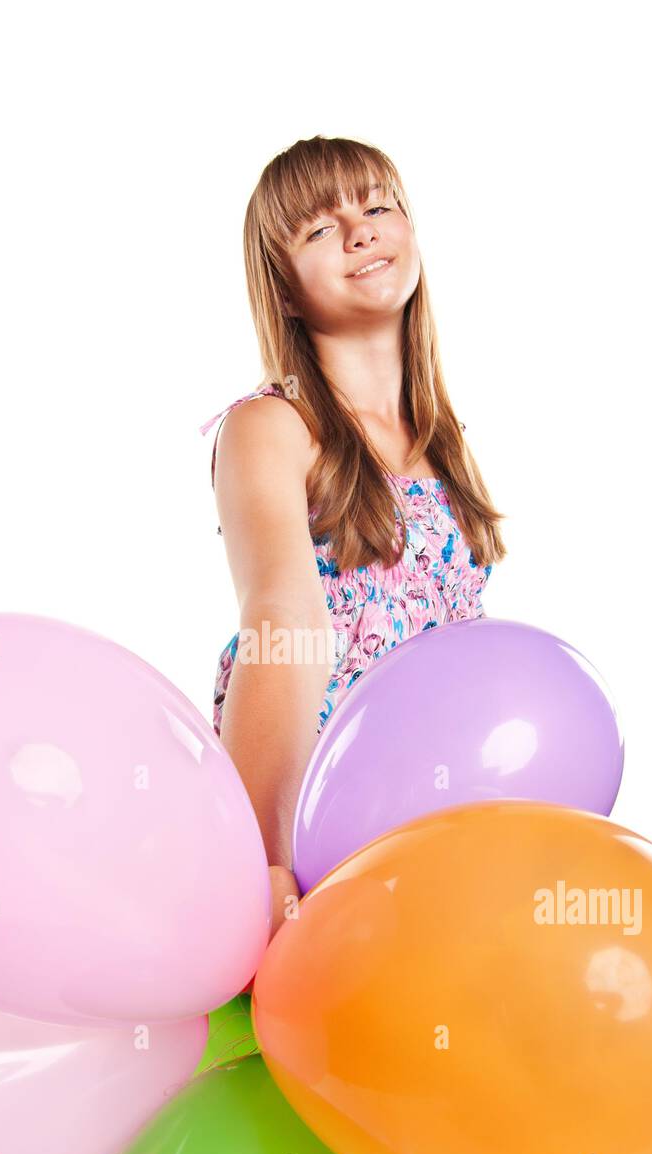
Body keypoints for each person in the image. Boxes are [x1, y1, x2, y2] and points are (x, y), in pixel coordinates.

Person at [200, 135, 507, 938]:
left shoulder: (440, 440)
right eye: (319, 229)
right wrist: (263, 862)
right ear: (289, 293)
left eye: (377, 206)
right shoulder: (274, 426)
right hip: (310, 819)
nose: (360, 230)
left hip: (419, 824)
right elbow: (282, 624)